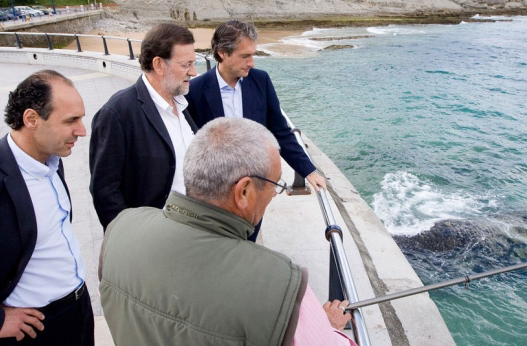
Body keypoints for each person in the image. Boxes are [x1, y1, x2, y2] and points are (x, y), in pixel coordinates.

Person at [99, 117, 357, 346]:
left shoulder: (121, 228)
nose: (274, 194)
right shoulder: (278, 284)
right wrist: (328, 328)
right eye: (274, 184)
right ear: (244, 191)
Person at [0, 70, 93, 346]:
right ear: (31, 119)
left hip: (78, 311)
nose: (82, 130)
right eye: (71, 121)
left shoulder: (53, 159)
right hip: (32, 331)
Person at [185, 20, 327, 241]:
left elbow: (280, 131)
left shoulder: (261, 81)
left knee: (248, 241)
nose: (251, 62)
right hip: (215, 192)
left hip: (254, 189)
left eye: (253, 55)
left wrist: (309, 171)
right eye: (245, 56)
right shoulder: (194, 91)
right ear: (222, 53)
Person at [89, 23, 199, 229]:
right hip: (151, 239)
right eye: (186, 64)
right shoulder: (117, 113)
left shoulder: (184, 102)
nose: (193, 72)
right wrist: (132, 239)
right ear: (159, 65)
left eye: (194, 63)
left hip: (190, 233)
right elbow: (105, 191)